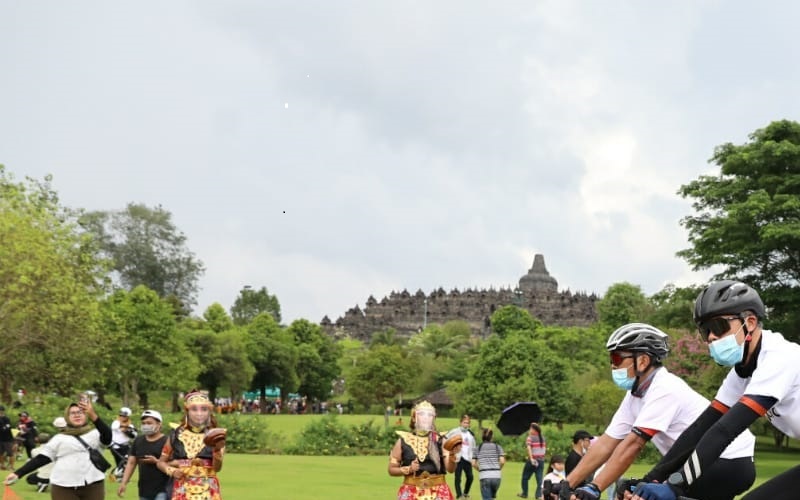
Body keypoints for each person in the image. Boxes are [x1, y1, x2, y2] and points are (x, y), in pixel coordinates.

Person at [632, 281, 800, 500]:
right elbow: (702, 428)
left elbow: (726, 430)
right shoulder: (742, 373)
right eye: (705, 330)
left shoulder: (780, 357)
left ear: (749, 322)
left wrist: (677, 484)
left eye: (718, 326)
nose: (711, 337)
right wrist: (652, 478)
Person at [557, 322, 755, 500]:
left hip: (728, 460)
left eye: (617, 358)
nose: (612, 364)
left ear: (642, 361)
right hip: (698, 462)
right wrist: (567, 484)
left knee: (643, 495)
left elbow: (633, 445)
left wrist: (594, 487)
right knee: (634, 490)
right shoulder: (635, 394)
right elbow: (606, 444)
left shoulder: (664, 388)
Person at [3, 396, 112, 499]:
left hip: (93, 483)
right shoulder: (59, 438)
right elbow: (41, 459)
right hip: (63, 485)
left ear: (86, 415)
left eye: (80, 412)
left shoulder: (95, 434)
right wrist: (18, 473)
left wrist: (93, 415)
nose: (77, 415)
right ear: (67, 418)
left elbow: (107, 436)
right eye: (72, 413)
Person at [157, 390, 225, 499]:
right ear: (187, 411)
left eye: (204, 409)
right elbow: (161, 462)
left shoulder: (216, 434)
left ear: (209, 412)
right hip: (182, 487)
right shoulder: (176, 434)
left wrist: (217, 450)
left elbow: (217, 468)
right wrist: (172, 471)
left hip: (208, 488)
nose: (199, 413)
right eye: (194, 409)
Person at [387, 400, 458, 500]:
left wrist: (452, 455)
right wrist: (409, 469)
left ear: (434, 418)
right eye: (422, 414)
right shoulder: (403, 440)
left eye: (430, 415)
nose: (426, 417)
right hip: (411, 491)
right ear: (414, 417)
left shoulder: (441, 440)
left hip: (438, 492)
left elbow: (451, 469)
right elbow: (391, 469)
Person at [118, 410, 169, 500]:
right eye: (143, 423)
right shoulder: (138, 441)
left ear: (159, 424)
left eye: (149, 423)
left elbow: (176, 463)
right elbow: (131, 463)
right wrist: (124, 483)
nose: (146, 425)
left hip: (163, 488)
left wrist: (157, 462)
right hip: (144, 489)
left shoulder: (167, 441)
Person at [472, 428, 505, 500]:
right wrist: (498, 469)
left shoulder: (478, 448)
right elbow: (502, 461)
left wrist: (480, 470)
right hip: (497, 477)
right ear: (492, 437)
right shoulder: (498, 447)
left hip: (485, 476)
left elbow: (473, 463)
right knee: (492, 498)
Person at [449, 414, 476, 500]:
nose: (466, 424)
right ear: (460, 423)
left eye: (467, 423)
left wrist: (474, 458)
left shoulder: (471, 435)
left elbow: (474, 447)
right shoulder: (455, 431)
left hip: (467, 458)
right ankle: (459, 495)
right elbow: (446, 440)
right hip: (458, 458)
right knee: (458, 478)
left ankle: (465, 493)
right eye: (464, 423)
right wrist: (451, 452)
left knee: (470, 477)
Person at [518, 422, 546, 499]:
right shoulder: (543, 438)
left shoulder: (530, 438)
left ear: (534, 430)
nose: (529, 430)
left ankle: (525, 493)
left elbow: (529, 448)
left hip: (532, 460)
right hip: (541, 461)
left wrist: (531, 458)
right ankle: (538, 495)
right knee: (539, 479)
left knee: (525, 477)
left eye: (530, 428)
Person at [0, 406, 15, 471]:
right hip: (0, 439)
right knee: (0, 453)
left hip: (7, 439)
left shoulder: (6, 418)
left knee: (10, 453)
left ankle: (11, 466)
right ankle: (2, 465)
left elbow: (8, 427)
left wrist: (3, 428)